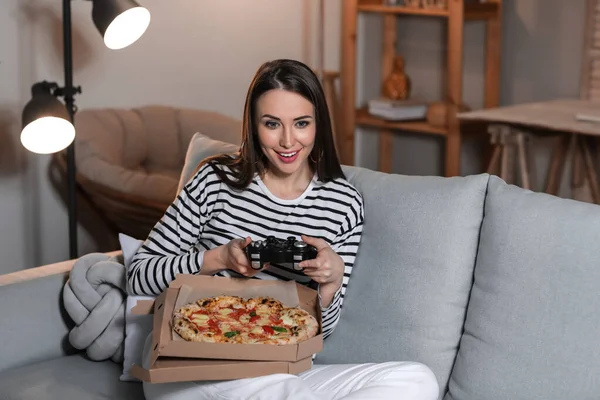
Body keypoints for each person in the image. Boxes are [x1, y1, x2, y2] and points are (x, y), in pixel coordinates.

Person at [128, 59, 439, 400]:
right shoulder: (215, 181)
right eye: (272, 124)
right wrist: (219, 258)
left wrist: (331, 283)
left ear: (318, 124)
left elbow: (322, 331)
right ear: (253, 125)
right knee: (283, 390)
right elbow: (138, 276)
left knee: (416, 379)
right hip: (190, 362)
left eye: (301, 123)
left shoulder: (342, 203)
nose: (288, 141)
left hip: (282, 365)